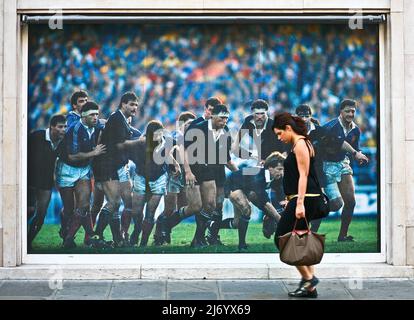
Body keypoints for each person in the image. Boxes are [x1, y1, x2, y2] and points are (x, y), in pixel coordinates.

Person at [272, 112, 327, 298]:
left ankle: (309, 279)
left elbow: (304, 175)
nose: (279, 138)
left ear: (288, 128)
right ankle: (310, 287)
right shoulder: (299, 143)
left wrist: (299, 203)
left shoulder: (301, 144)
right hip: (301, 197)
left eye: (280, 133)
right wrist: (292, 199)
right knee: (300, 240)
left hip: (305, 198)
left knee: (282, 238)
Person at [184, 103, 239, 247]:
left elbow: (226, 158)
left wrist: (239, 174)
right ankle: (198, 238)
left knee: (218, 204)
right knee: (208, 204)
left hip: (218, 169)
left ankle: (210, 237)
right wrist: (188, 171)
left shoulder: (225, 131)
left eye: (226, 118)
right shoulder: (198, 128)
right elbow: (183, 150)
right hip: (201, 169)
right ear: (213, 116)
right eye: (221, 118)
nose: (224, 121)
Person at [209, 152, 286, 251]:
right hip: (233, 183)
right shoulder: (259, 176)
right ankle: (242, 246)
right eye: (279, 169)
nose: (281, 173)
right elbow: (264, 201)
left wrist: (281, 212)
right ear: (269, 168)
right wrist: (280, 220)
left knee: (236, 223)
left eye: (283, 169)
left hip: (246, 187)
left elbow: (281, 198)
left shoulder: (277, 178)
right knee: (247, 210)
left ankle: (213, 225)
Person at [93, 92, 142, 247]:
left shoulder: (124, 120)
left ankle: (120, 237)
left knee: (129, 201)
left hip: (120, 165)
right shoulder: (116, 118)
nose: (135, 108)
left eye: (136, 105)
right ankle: (97, 235)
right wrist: (140, 142)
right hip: (108, 165)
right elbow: (121, 144)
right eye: (132, 104)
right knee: (114, 202)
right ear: (123, 104)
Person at [56, 102, 106, 248]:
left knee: (84, 205)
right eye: (92, 114)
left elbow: (106, 124)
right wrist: (94, 153)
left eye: (97, 114)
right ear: (83, 116)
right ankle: (66, 229)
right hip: (67, 169)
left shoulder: (96, 125)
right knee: (69, 209)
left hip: (83, 170)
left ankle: (69, 239)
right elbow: (72, 156)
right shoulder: (75, 129)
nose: (96, 117)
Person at [322, 99, 369, 241]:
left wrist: (359, 155)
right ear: (340, 112)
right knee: (336, 205)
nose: (350, 114)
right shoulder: (331, 127)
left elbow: (355, 147)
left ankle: (342, 236)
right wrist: (356, 153)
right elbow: (340, 143)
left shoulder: (355, 129)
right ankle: (311, 214)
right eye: (347, 111)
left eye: (353, 111)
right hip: (326, 165)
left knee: (351, 202)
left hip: (342, 163)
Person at [128, 120, 180, 246]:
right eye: (154, 134)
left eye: (159, 134)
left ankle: (144, 243)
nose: (157, 137)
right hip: (141, 178)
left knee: (150, 213)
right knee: (136, 212)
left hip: (159, 179)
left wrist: (175, 164)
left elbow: (168, 153)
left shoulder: (168, 142)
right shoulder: (141, 143)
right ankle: (136, 230)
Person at [153, 111, 196, 245]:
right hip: (174, 176)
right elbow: (163, 152)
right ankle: (159, 234)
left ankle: (166, 229)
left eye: (192, 124)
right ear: (181, 125)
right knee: (169, 209)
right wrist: (174, 164)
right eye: (188, 124)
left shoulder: (193, 138)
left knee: (183, 208)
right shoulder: (176, 136)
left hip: (185, 177)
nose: (190, 126)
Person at [27, 114, 67, 251]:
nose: (63, 130)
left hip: (46, 182)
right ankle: (18, 240)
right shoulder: (36, 136)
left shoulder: (62, 142)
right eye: (60, 127)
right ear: (51, 127)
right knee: (29, 210)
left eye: (65, 127)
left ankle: (28, 243)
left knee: (40, 217)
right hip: (30, 180)